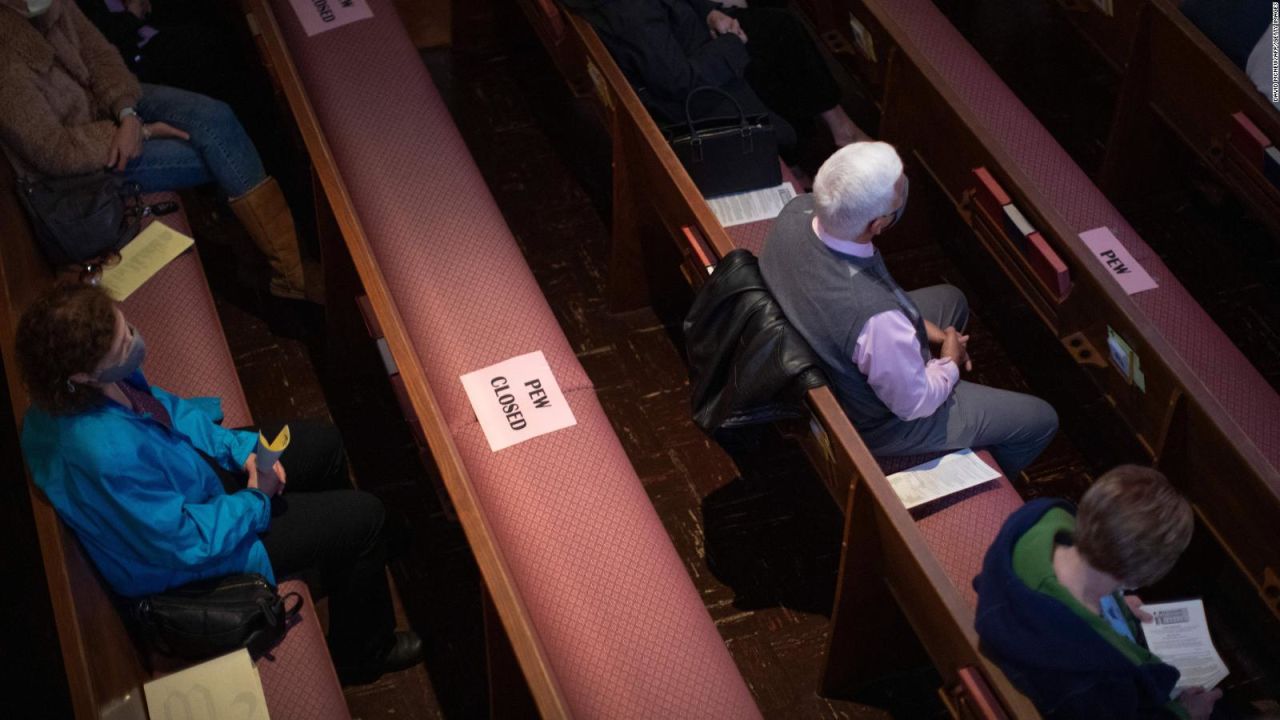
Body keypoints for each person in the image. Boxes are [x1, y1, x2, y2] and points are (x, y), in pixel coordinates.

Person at [16, 284, 417, 683]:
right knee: (366, 519)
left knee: (324, 445)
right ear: (82, 374)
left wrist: (238, 450)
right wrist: (257, 498)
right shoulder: (103, 455)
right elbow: (184, 543)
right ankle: (363, 654)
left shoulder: (98, 379)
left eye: (130, 328)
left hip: (191, 484)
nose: (137, 343)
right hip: (192, 562)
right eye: (125, 345)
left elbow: (166, 412)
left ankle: (338, 563)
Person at [759, 141, 1058, 476]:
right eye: (897, 199)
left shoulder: (796, 210)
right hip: (875, 422)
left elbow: (879, 307)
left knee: (951, 299)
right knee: (1040, 420)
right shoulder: (875, 317)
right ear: (876, 226)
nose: (903, 196)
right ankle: (975, 475)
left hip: (821, 335)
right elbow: (913, 403)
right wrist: (949, 362)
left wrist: (923, 330)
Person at [0, 0, 312, 301]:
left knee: (217, 117)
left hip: (105, 110)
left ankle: (280, 266)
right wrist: (140, 131)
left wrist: (127, 113)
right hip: (82, 170)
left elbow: (100, 56)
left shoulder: (49, 4)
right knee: (216, 155)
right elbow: (54, 151)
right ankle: (285, 271)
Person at [973, 465, 1221, 719]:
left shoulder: (1033, 527)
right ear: (1142, 576)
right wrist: (1183, 713)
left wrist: (1117, 605)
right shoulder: (1098, 676)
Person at [562, 0, 867, 148]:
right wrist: (732, 45)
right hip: (693, 93)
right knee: (768, 46)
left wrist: (711, 11)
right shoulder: (628, 10)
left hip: (688, 37)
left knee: (778, 25)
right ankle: (794, 157)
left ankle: (841, 128)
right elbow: (677, 81)